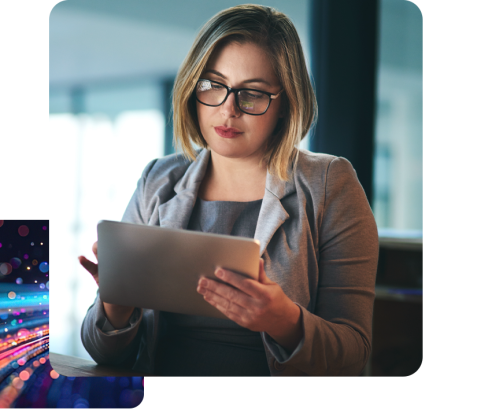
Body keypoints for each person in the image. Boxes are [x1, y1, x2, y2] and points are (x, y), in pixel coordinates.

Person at [78, 4, 378, 377]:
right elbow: (104, 354)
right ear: (192, 85)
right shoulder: (158, 179)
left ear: (285, 104)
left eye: (252, 94)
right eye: (212, 85)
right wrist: (115, 305)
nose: (228, 109)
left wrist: (282, 320)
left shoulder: (330, 183)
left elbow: (353, 353)